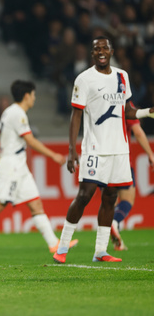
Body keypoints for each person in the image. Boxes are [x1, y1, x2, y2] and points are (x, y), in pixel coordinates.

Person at [53, 36, 154, 264]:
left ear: (111, 51)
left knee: (110, 198)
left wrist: (147, 111)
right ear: (92, 54)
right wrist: (72, 149)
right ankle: (62, 247)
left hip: (119, 150)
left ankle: (100, 251)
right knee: (84, 196)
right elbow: (76, 114)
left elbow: (126, 111)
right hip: (95, 149)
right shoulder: (84, 79)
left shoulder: (122, 76)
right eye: (96, 48)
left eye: (104, 48)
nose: (101, 51)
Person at [0, 80, 78, 255]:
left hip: (19, 166)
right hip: (11, 166)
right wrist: (53, 155)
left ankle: (54, 243)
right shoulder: (18, 114)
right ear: (27, 96)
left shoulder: (9, 112)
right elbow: (30, 140)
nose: (34, 98)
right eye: (33, 95)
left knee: (35, 204)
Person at [110, 116, 154, 251]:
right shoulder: (123, 102)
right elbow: (138, 132)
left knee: (108, 202)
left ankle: (106, 244)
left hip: (101, 160)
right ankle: (115, 222)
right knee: (127, 199)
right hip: (121, 160)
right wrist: (150, 154)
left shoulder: (98, 100)